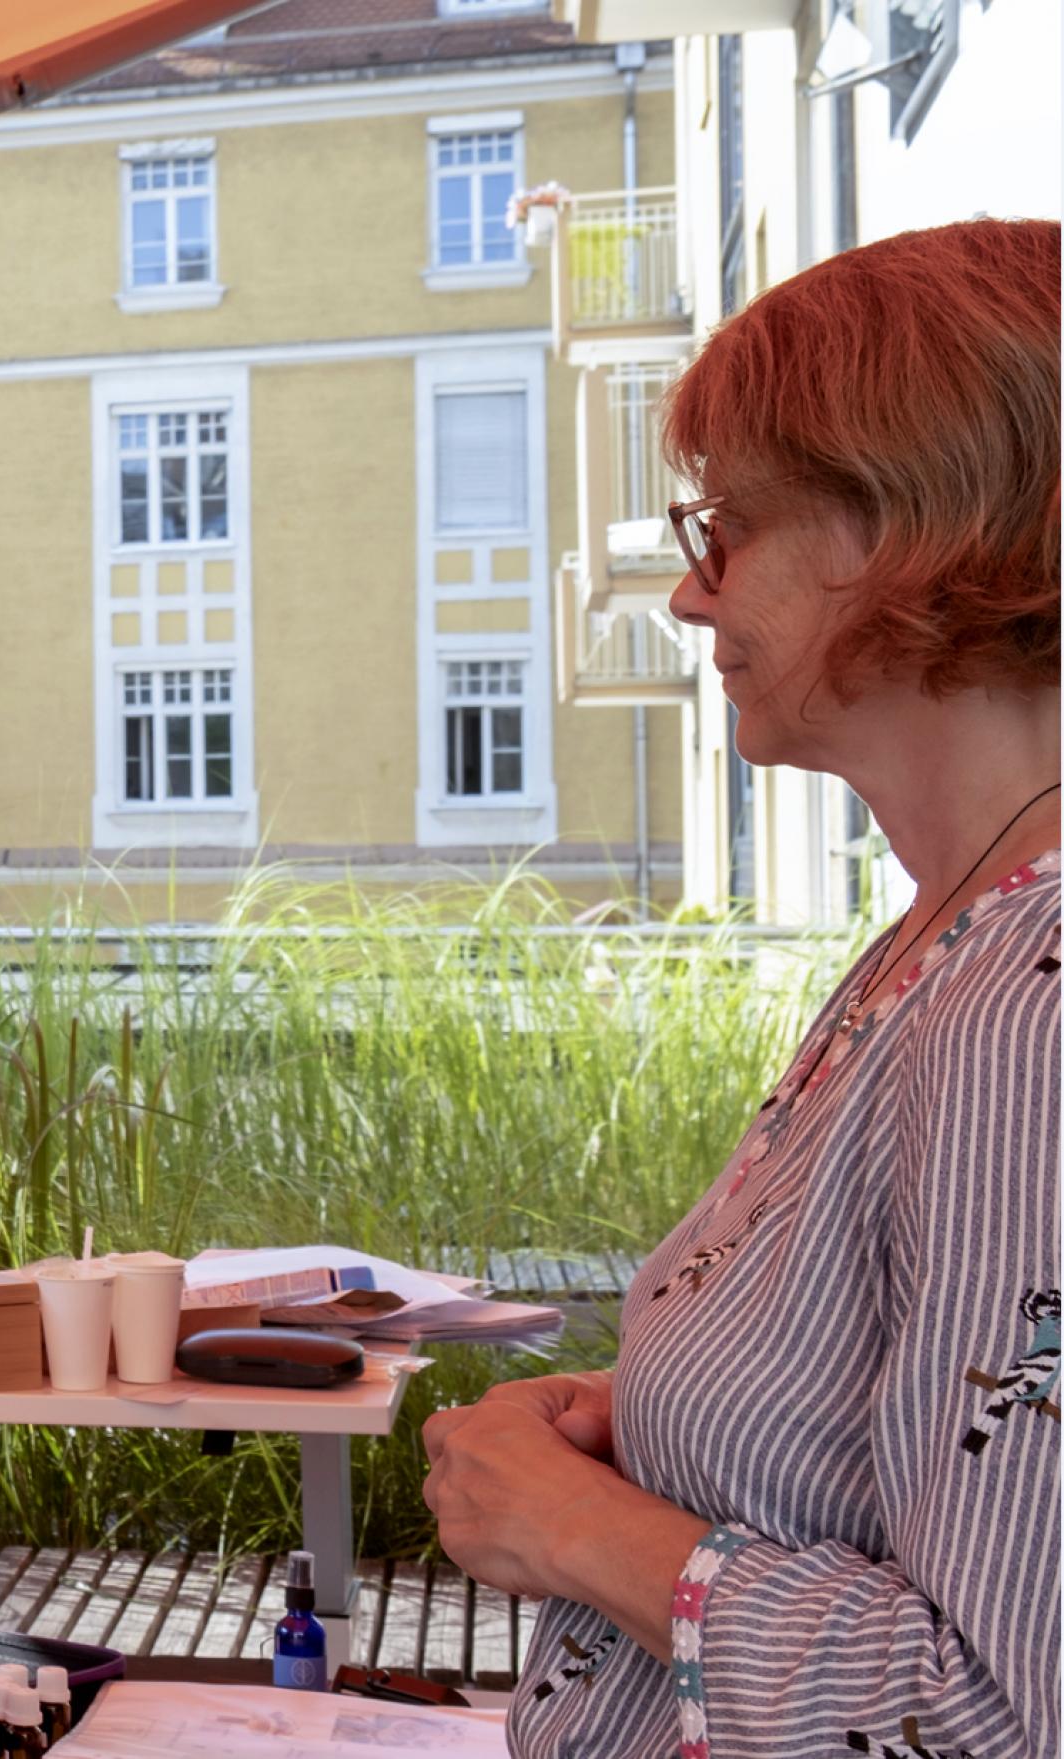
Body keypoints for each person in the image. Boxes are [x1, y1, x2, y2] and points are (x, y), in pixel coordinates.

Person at [421, 218, 1058, 1759]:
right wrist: (655, 1422)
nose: (692, 596)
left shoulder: (1031, 1010)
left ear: (911, 527)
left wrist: (575, 1527)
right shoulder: (947, 933)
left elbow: (993, 1712)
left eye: (726, 528)